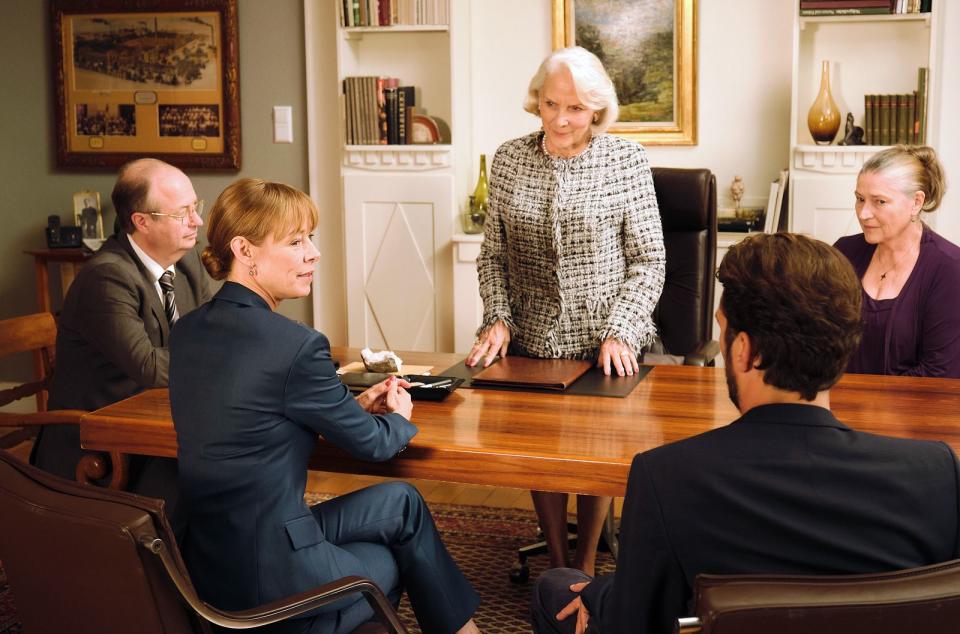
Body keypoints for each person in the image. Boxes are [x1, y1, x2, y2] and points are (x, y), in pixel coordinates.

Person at [531, 233, 960, 634]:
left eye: (723, 328)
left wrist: (594, 591)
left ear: (743, 350)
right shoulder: (938, 473)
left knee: (556, 588)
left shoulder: (665, 478)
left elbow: (632, 622)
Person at [169, 178, 480, 634]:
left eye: (310, 239)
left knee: (402, 502)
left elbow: (253, 418)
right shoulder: (297, 345)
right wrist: (397, 416)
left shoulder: (188, 331)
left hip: (214, 560)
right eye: (296, 242)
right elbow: (373, 446)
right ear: (245, 250)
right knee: (390, 560)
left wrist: (349, 405)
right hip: (270, 577)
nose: (313, 253)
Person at [467, 46, 666, 576]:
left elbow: (649, 261)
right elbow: (493, 257)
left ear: (597, 110)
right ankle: (556, 566)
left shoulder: (625, 160)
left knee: (594, 456)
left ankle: (586, 568)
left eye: (575, 108)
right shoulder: (510, 159)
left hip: (604, 341)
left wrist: (622, 330)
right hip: (531, 338)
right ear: (537, 101)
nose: (560, 118)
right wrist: (498, 319)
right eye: (551, 103)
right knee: (542, 456)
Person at [33, 158, 212, 514]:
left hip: (158, 421)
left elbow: (214, 333)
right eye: (182, 214)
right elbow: (150, 368)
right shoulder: (107, 278)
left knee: (235, 459)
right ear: (141, 222)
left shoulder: (187, 262)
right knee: (212, 465)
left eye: (196, 207)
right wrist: (221, 357)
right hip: (99, 444)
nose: (197, 221)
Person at [834, 145, 960, 377]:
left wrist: (869, 407)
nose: (863, 213)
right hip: (838, 404)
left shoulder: (950, 269)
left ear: (916, 202)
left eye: (879, 202)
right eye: (860, 199)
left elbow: (939, 373)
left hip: (914, 410)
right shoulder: (844, 252)